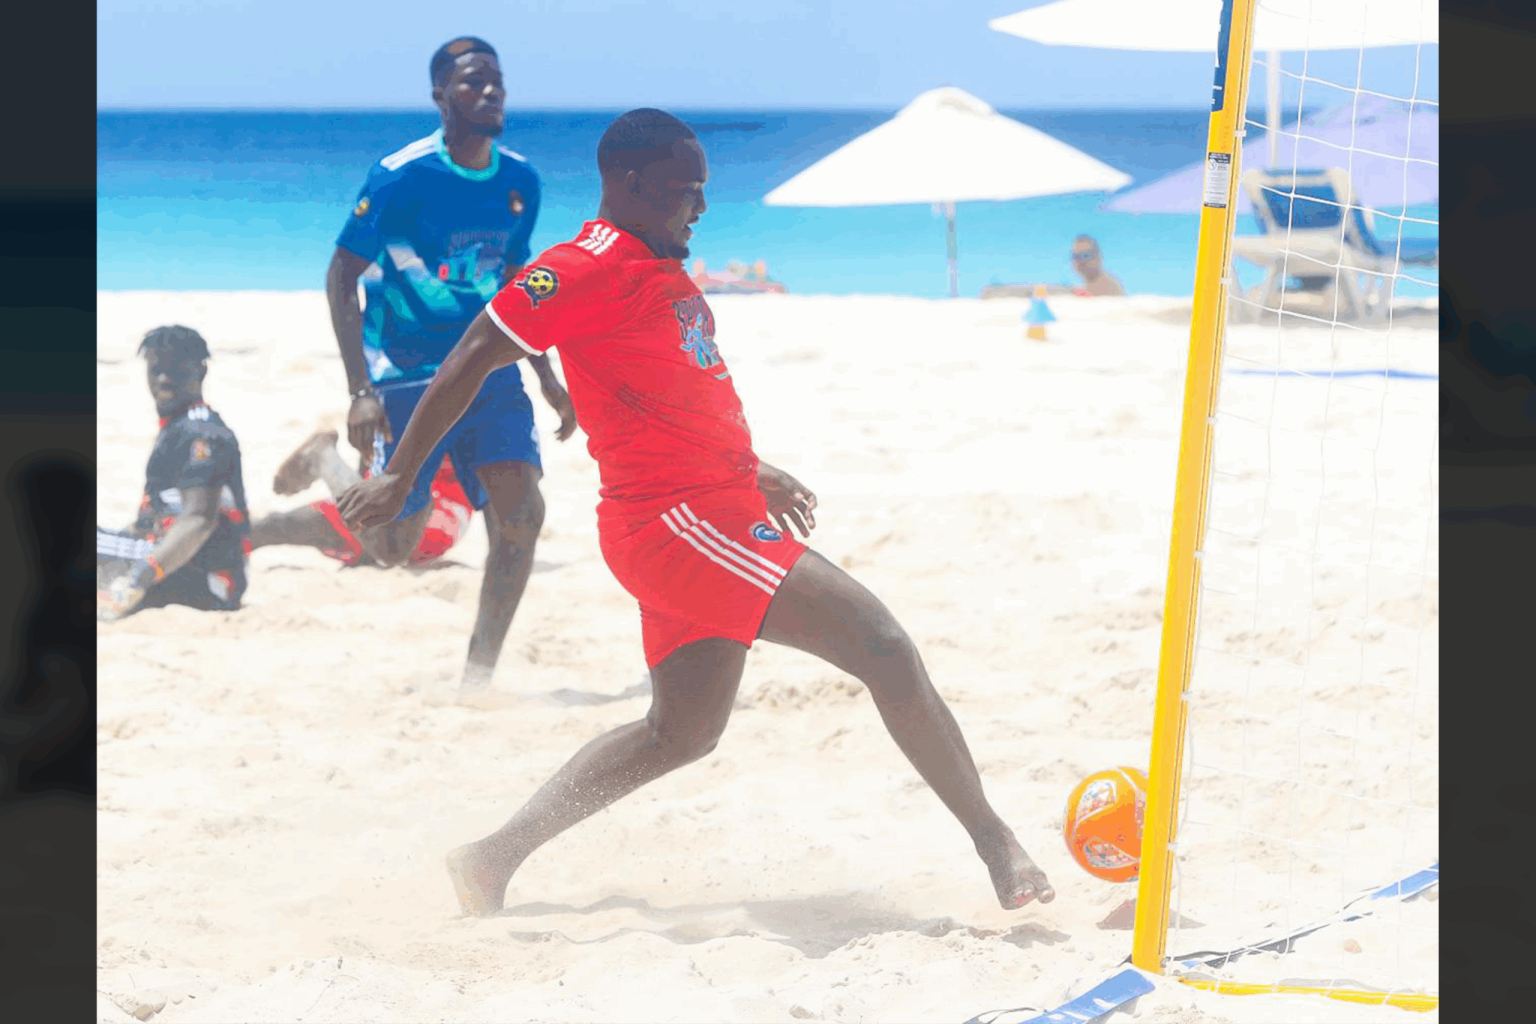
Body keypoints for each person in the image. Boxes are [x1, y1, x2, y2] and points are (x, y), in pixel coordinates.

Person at [338, 108, 1056, 917]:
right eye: (690, 189)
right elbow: (475, 349)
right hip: (679, 526)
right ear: (633, 183)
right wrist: (402, 474)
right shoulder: (581, 266)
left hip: (706, 509)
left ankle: (489, 860)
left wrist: (753, 469)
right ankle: (996, 842)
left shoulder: (657, 266)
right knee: (883, 646)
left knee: (679, 734)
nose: (702, 207)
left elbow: (674, 401)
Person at [327, 36, 577, 694]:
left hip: (493, 372)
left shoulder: (521, 180)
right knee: (392, 545)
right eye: (471, 83)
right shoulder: (399, 174)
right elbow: (339, 277)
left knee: (521, 514)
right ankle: (327, 464)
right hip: (408, 372)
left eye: (497, 80)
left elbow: (518, 284)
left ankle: (477, 678)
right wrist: (360, 389)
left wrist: (547, 373)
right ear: (440, 96)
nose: (490, 91)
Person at [97, 326, 251, 621]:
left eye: (175, 371)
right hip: (183, 570)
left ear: (200, 371)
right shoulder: (181, 426)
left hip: (200, 579)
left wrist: (135, 582)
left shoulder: (201, 434)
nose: (163, 380)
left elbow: (199, 519)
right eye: (155, 371)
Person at [247, 431, 472, 570]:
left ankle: (325, 459)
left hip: (421, 509)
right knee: (271, 528)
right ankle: (325, 460)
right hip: (415, 506)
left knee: (274, 527)